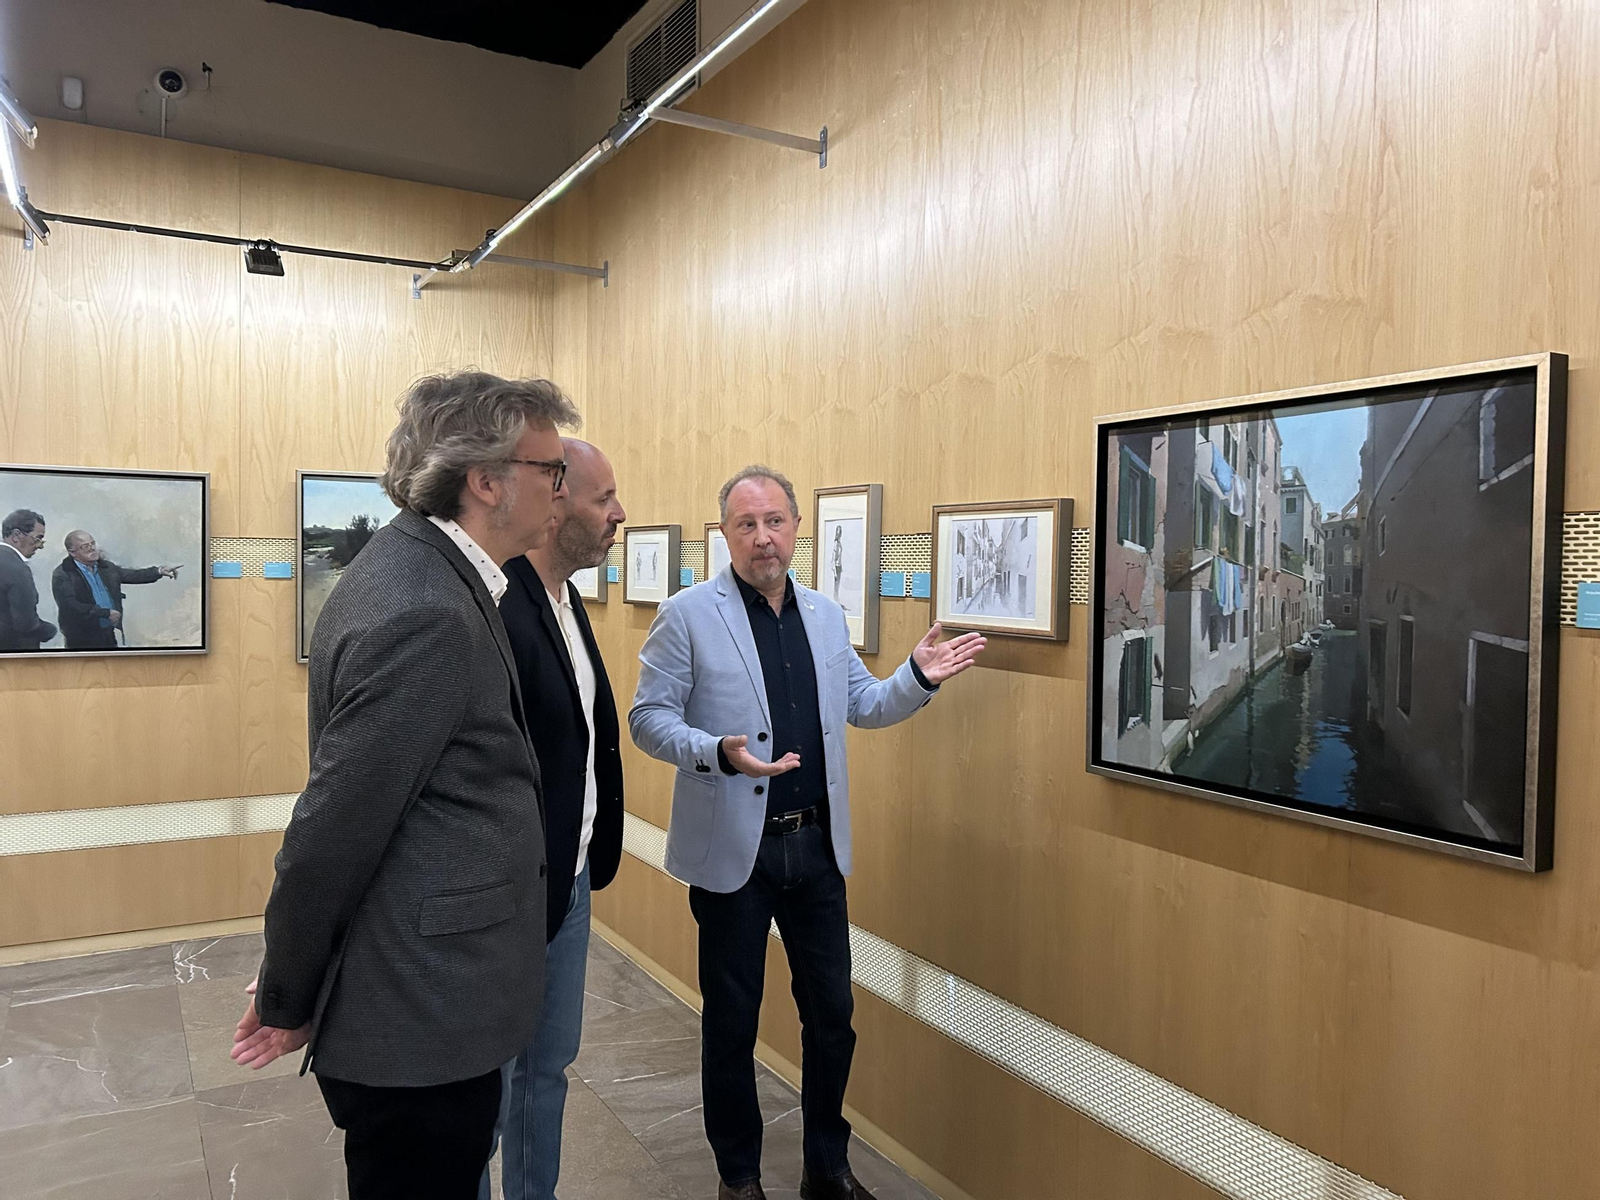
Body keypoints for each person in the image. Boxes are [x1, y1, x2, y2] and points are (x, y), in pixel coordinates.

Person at [231, 371, 581, 1200]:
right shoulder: (426, 607)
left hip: (431, 1004)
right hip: (422, 1019)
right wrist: (289, 991)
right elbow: (332, 832)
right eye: (551, 471)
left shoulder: (431, 574)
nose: (561, 494)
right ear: (486, 480)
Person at [629, 465, 987, 1200]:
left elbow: (864, 705)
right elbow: (647, 718)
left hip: (816, 847)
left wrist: (917, 677)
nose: (763, 537)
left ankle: (827, 1166)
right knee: (733, 1021)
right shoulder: (688, 614)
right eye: (747, 524)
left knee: (833, 1016)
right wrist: (714, 750)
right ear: (725, 533)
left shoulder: (824, 615)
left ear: (797, 527)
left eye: (775, 522)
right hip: (735, 851)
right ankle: (739, 1177)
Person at [486, 439, 627, 1200]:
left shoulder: (567, 601)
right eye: (605, 499)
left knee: (548, 1069)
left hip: (569, 882)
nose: (619, 514)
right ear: (558, 498)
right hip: (511, 889)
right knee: (489, 1083)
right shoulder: (499, 604)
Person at [50, 530, 182, 649]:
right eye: (85, 546)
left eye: (93, 544)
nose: (92, 549)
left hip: (108, 632)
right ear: (72, 552)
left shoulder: (106, 568)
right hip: (80, 637)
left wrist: (159, 571)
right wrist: (105, 613)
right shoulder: (62, 574)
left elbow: (133, 575)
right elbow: (70, 606)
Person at [0, 508, 58, 651]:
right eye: (37, 539)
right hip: (13, 650)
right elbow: (25, 623)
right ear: (16, 535)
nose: (40, 546)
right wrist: (49, 630)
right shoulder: (17, 568)